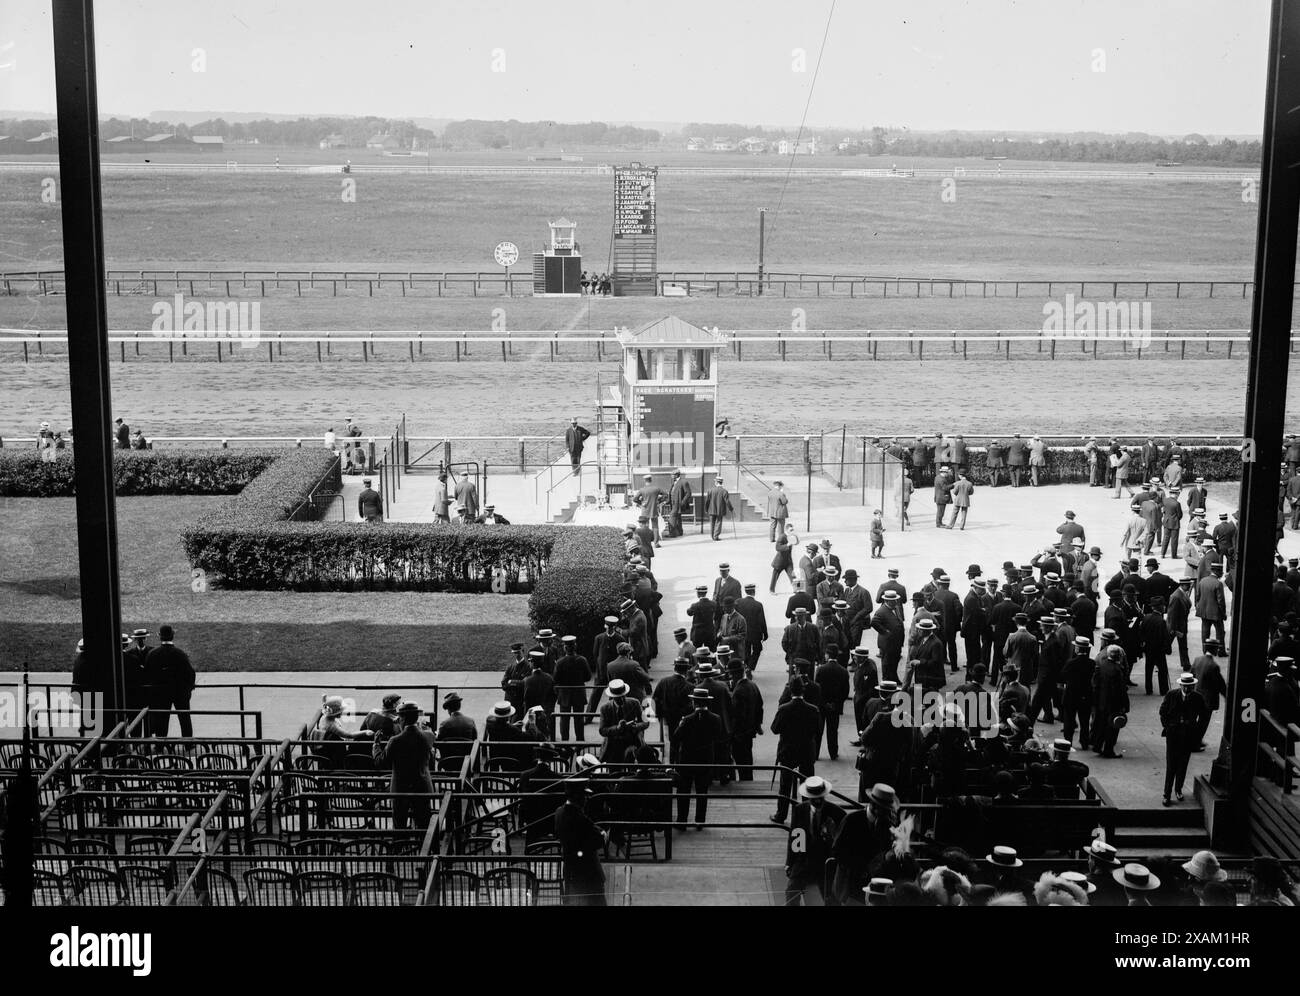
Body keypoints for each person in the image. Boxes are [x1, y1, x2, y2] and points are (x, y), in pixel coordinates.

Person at [828, 782, 899, 904]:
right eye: (885, 810)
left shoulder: (888, 824)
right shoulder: (851, 820)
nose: (888, 814)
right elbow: (837, 851)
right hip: (850, 886)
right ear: (874, 806)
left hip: (876, 888)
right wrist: (862, 867)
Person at [372, 701, 435, 829]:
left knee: (399, 826)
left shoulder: (395, 741)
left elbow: (380, 762)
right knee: (424, 825)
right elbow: (423, 734)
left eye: (399, 718)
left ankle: (400, 848)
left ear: (403, 719)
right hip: (422, 787)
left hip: (400, 789)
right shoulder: (429, 736)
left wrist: (376, 745)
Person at [784, 776, 844, 906]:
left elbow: (842, 843)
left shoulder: (837, 813)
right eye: (814, 798)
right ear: (808, 797)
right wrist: (790, 863)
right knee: (791, 891)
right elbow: (794, 838)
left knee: (831, 896)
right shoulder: (799, 810)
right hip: (804, 860)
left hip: (826, 863)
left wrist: (831, 836)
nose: (817, 801)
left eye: (820, 797)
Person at [769, 677, 821, 824]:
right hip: (806, 752)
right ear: (803, 690)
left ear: (790, 690)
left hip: (788, 752)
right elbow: (817, 731)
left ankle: (781, 814)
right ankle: (807, 816)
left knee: (785, 785)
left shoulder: (784, 709)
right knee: (808, 785)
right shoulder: (813, 709)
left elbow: (774, 729)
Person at [673, 688, 723, 828]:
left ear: (694, 702)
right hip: (705, 758)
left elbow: (676, 737)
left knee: (684, 791)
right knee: (702, 791)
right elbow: (718, 737)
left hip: (687, 760)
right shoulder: (716, 719)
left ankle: (682, 821)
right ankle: (700, 821)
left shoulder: (686, 720)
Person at [554, 780, 608, 906]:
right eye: (584, 796)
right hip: (589, 872)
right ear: (578, 797)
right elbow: (599, 840)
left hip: (570, 869)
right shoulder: (579, 818)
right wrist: (603, 835)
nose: (586, 799)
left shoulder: (559, 812)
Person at [1160, 673, 1208, 805]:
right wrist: (1168, 726)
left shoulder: (1198, 698)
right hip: (1173, 736)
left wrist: (1196, 732)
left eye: (1189, 686)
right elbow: (1162, 712)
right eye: (1185, 686)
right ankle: (1167, 793)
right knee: (1171, 765)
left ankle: (1178, 789)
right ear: (1180, 685)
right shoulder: (1171, 695)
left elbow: (1204, 716)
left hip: (1188, 736)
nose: (1187, 689)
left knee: (1183, 764)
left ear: (1193, 686)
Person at [144, 625, 196, 738]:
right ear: (172, 636)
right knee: (184, 718)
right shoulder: (180, 654)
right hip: (179, 692)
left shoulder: (152, 654)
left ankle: (160, 745)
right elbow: (190, 674)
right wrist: (188, 689)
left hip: (160, 692)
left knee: (162, 719)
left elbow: (147, 674)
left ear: (159, 636)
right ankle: (188, 743)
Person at [1091, 645, 1130, 758]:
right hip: (1114, 703)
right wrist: (1125, 705)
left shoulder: (1101, 665)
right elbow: (1121, 690)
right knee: (1113, 728)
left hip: (1102, 701)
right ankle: (1108, 750)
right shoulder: (1118, 670)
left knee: (1101, 723)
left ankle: (1097, 745)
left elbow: (1096, 682)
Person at [728, 657, 764, 778]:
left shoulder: (738, 691)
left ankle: (745, 786)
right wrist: (757, 725)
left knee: (741, 763)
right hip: (750, 732)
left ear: (735, 674)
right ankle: (749, 782)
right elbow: (760, 707)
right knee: (748, 761)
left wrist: (732, 734)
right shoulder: (753, 685)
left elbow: (737, 716)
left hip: (740, 735)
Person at [598, 679, 648, 763]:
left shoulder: (635, 703)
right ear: (612, 697)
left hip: (633, 742)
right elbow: (602, 730)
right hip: (613, 745)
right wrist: (617, 728)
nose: (621, 699)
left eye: (623, 696)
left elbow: (646, 722)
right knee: (614, 770)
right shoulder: (605, 708)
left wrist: (635, 726)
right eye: (618, 698)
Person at [553, 636, 592, 742]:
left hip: (564, 694)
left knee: (564, 719)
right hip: (578, 693)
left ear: (565, 648)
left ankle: (565, 742)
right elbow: (588, 677)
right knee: (578, 719)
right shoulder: (582, 660)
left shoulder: (560, 662)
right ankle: (580, 742)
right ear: (575, 646)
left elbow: (555, 678)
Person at [1191, 638, 1227, 750]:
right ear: (1214, 649)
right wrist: (1227, 696)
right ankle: (1195, 744)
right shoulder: (1213, 666)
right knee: (1203, 723)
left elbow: (1191, 676)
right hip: (1207, 699)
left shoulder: (1197, 660)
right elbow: (1220, 685)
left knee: (1195, 721)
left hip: (1196, 695)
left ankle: (1195, 740)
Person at [815, 651, 850, 761]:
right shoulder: (843, 671)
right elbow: (845, 691)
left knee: (818, 731)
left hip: (822, 705)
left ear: (827, 655)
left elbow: (817, 688)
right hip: (835, 706)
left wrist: (823, 703)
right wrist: (836, 703)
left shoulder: (821, 669)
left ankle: (815, 753)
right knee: (833, 730)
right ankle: (833, 753)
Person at [435, 692, 477, 761]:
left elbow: (438, 743)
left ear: (448, 709)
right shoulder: (470, 721)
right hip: (465, 761)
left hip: (448, 761)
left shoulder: (444, 724)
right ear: (459, 706)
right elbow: (475, 739)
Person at [736, 583, 768, 671]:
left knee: (746, 650)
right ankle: (750, 666)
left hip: (742, 632)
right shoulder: (758, 605)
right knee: (757, 649)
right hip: (755, 633)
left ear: (745, 591)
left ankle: (746, 665)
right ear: (754, 592)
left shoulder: (738, 602)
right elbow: (762, 621)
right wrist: (765, 634)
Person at [1196, 563, 1228, 646]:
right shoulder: (1218, 583)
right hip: (1215, 614)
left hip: (1204, 613)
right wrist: (1223, 614)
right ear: (1217, 571)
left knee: (1205, 633)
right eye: (1221, 572)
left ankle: (1205, 650)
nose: (1222, 574)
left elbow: (1197, 597)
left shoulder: (1202, 581)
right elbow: (1221, 601)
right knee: (1220, 632)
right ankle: (1220, 650)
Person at [705, 476, 732, 541]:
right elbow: (727, 501)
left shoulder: (710, 490)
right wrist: (731, 508)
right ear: (721, 482)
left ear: (716, 482)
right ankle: (716, 536)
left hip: (711, 510)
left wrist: (706, 509)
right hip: (720, 510)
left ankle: (712, 536)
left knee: (712, 523)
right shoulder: (724, 491)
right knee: (719, 522)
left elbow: (707, 501)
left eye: (715, 481)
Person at [667, 469, 693, 538]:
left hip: (678, 503)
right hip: (673, 503)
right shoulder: (674, 482)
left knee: (672, 518)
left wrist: (682, 502)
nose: (671, 476)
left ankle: (672, 533)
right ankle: (679, 532)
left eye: (672, 475)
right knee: (678, 517)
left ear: (677, 475)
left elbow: (688, 493)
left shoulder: (683, 482)